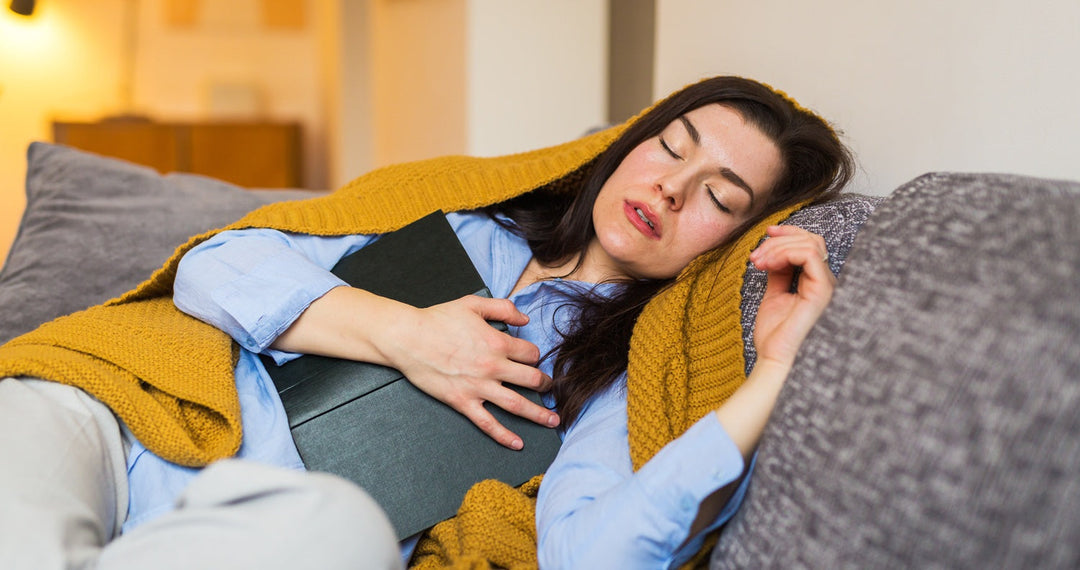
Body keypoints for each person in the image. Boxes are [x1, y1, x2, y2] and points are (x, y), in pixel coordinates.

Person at [0, 75, 853, 569]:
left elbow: (592, 555)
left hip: (280, 527)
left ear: (732, 244)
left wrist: (775, 374)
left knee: (347, 534)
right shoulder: (463, 215)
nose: (671, 187)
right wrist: (410, 338)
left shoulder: (611, 379)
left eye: (719, 197)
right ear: (630, 142)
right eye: (671, 146)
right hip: (122, 419)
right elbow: (213, 268)